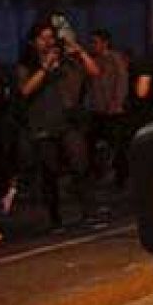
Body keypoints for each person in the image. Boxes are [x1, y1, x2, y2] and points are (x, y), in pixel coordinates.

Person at [16, 18, 100, 230]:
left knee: (79, 164)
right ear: (33, 42)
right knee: (49, 171)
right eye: (42, 38)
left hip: (68, 121)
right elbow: (25, 90)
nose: (48, 42)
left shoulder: (66, 61)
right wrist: (44, 69)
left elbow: (94, 72)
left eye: (50, 37)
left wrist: (78, 50)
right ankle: (55, 218)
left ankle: (88, 211)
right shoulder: (28, 64)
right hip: (42, 123)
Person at [82, 29, 130, 191]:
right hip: (97, 109)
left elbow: (122, 82)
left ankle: (120, 178)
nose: (92, 45)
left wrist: (116, 103)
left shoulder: (115, 59)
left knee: (116, 145)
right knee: (92, 143)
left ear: (105, 42)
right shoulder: (93, 60)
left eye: (95, 42)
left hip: (113, 110)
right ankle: (96, 175)